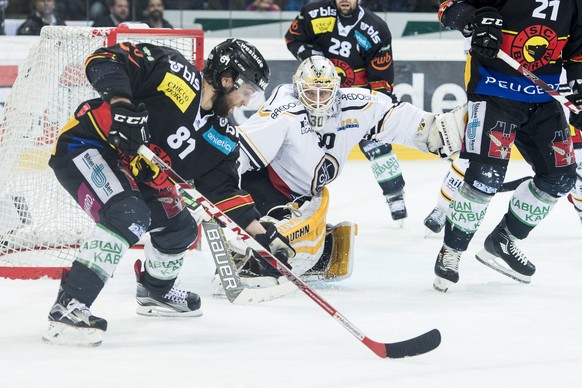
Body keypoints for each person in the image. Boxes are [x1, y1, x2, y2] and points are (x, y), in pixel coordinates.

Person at [41, 38, 293, 346]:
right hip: (88, 146)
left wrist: (262, 234)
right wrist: (121, 105)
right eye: (246, 92)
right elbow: (104, 58)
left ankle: (154, 291)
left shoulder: (223, 138)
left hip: (136, 175)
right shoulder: (173, 71)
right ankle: (69, 306)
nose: (245, 102)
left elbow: (222, 192)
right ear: (227, 80)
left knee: (181, 227)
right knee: (129, 214)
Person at [230, 55, 465, 286]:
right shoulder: (283, 110)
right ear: (298, 89)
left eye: (325, 92)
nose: (318, 101)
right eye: (311, 93)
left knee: (324, 253)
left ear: (337, 89)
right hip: (264, 185)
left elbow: (396, 116)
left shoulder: (354, 104)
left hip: (301, 195)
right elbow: (241, 149)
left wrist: (438, 131)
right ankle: (249, 253)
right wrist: (217, 184)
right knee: (278, 243)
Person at [432, 0, 582, 292]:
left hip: (542, 97)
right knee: (485, 176)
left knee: (561, 177)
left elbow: (577, 53)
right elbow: (447, 8)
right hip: (493, 89)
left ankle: (503, 239)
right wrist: (474, 19)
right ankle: (451, 251)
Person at [285, 0, 409, 226]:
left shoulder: (376, 28)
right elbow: (293, 38)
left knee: (376, 144)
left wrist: (380, 105)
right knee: (306, 146)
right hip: (318, 94)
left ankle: (394, 194)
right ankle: (298, 200)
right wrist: (314, 57)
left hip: (356, 97)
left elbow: (381, 78)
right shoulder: (314, 14)